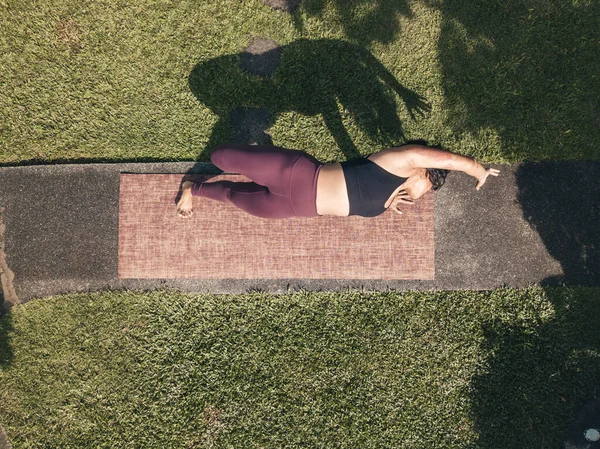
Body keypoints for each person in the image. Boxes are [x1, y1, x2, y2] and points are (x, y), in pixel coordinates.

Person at [176, 143, 499, 219]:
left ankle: (194, 188)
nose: (428, 192)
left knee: (236, 197)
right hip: (294, 173)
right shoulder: (399, 160)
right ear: (425, 170)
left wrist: (391, 201)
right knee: (220, 156)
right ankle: (260, 152)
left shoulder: (395, 199)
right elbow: (447, 160)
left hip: (292, 208)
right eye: (432, 183)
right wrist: (477, 170)